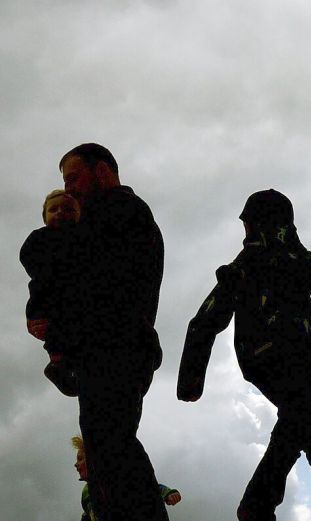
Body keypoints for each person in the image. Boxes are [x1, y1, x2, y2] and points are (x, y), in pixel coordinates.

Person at [177, 189, 311, 521]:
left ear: (256, 225)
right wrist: (191, 380)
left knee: (296, 427)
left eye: (247, 224)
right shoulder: (254, 267)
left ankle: (259, 507)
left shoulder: (275, 264)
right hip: (275, 361)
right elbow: (205, 320)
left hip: (287, 360)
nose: (245, 232)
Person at [56, 143, 169, 520]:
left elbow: (86, 280)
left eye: (73, 177)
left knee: (109, 446)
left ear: (102, 170)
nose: (68, 189)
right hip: (113, 349)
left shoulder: (116, 211)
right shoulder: (118, 215)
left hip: (116, 347)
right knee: (108, 446)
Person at [19, 189, 83, 396]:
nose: (60, 213)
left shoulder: (82, 236)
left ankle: (67, 364)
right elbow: (27, 257)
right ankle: (57, 364)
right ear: (45, 217)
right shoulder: (40, 237)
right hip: (45, 294)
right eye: (53, 209)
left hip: (71, 297)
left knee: (69, 330)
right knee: (53, 331)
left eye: (68, 209)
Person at [71, 435, 182, 521]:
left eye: (80, 459)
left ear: (93, 458)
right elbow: (87, 514)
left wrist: (168, 493)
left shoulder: (116, 476)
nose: (76, 464)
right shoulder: (86, 492)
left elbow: (148, 488)